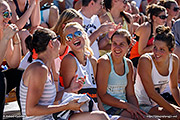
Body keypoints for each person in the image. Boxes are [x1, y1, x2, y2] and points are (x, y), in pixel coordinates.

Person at [20, 27, 110, 120]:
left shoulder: (46, 68)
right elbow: (30, 110)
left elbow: (48, 99)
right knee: (100, 117)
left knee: (101, 116)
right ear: (51, 43)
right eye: (58, 39)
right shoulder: (39, 70)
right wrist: (66, 106)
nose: (60, 44)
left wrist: (70, 89)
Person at [96, 29, 148, 119]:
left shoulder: (128, 64)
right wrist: (128, 106)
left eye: (122, 44)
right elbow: (102, 95)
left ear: (129, 46)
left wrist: (137, 110)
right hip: (108, 109)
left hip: (124, 107)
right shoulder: (105, 62)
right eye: (114, 43)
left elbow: (130, 94)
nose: (117, 47)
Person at [134, 25, 180, 119]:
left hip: (156, 105)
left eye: (162, 49)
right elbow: (151, 93)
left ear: (171, 50)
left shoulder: (174, 60)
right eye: (155, 47)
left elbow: (174, 88)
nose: (156, 52)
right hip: (140, 105)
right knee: (176, 116)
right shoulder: (145, 60)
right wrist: (174, 111)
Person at [0, 0, 22, 119]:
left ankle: (27, 115)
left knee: (21, 75)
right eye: (5, 14)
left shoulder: (4, 31)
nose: (8, 18)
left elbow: (13, 64)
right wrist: (5, 39)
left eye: (9, 14)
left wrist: (16, 40)